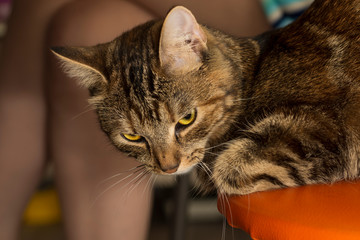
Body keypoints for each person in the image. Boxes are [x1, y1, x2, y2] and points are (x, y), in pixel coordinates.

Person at [0, 0, 270, 239]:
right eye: (135, 136)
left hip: (281, 26)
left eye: (185, 120)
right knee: (86, 24)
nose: (167, 163)